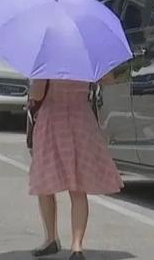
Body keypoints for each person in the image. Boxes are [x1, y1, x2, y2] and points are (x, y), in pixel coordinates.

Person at [28, 79, 123, 260]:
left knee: (45, 181)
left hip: (52, 121)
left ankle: (50, 238)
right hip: (81, 120)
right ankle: (77, 245)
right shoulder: (83, 60)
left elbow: (37, 94)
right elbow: (108, 79)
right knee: (78, 187)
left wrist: (33, 86)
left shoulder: (49, 62)